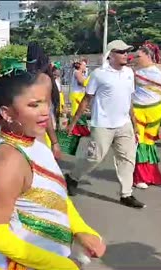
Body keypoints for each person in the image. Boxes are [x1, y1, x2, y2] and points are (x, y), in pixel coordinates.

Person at [0, 59, 105, 270]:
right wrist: (60, 265)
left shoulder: (36, 144)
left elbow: (57, 196)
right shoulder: (8, 160)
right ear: (6, 113)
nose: (45, 111)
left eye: (46, 102)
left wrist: (81, 230)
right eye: (34, 105)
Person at [66, 40, 145, 208]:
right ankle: (73, 177)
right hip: (102, 124)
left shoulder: (129, 73)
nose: (125, 54)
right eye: (121, 51)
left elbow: (129, 100)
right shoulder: (98, 74)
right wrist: (73, 123)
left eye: (126, 51)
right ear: (111, 54)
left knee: (127, 159)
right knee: (94, 158)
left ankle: (126, 194)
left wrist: (134, 124)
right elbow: (87, 99)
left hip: (124, 124)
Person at [132, 42, 161, 189]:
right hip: (137, 111)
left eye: (138, 56)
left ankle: (151, 175)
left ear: (147, 55)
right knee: (139, 142)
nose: (135, 58)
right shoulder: (133, 71)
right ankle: (139, 177)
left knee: (149, 143)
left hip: (156, 111)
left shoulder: (160, 70)